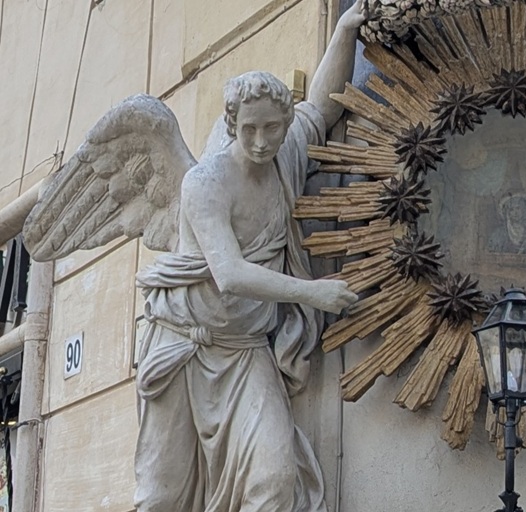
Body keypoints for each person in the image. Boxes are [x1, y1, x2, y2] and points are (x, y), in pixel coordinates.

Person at [132, 3, 365, 511]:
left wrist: (346, 28)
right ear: (232, 124)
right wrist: (313, 292)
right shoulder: (205, 182)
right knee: (161, 497)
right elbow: (231, 275)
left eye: (272, 130)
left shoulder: (286, 156)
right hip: (181, 348)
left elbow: (323, 106)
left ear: (283, 123)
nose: (261, 143)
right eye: (249, 131)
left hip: (244, 349)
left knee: (275, 478)